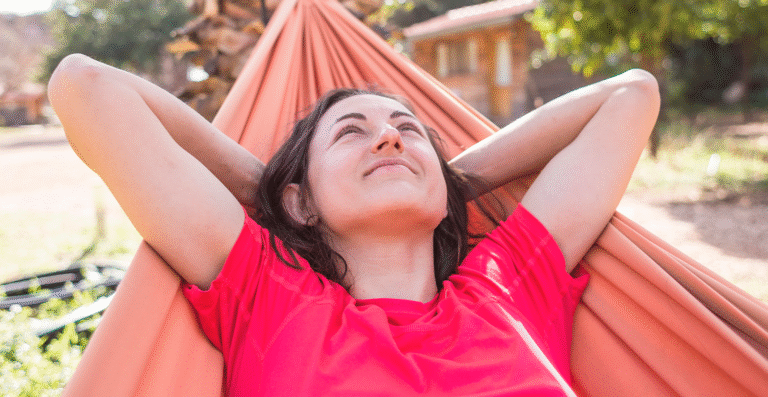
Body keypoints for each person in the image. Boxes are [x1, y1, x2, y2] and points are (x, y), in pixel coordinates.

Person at [48, 53, 660, 396]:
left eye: (407, 130)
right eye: (352, 132)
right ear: (301, 205)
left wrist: (446, 179)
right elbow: (85, 86)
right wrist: (271, 193)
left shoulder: (507, 288)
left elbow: (631, 94)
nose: (390, 135)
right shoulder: (269, 296)